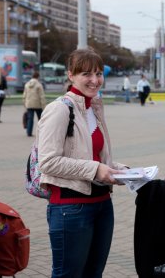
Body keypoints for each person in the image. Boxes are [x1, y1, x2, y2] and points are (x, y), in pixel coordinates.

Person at [37, 48, 126, 278]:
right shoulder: (59, 109)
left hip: (102, 204)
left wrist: (119, 170)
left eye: (98, 73)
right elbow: (47, 162)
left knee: (93, 273)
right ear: (71, 75)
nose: (95, 80)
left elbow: (91, 155)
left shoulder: (93, 108)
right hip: (71, 208)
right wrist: (96, 169)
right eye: (86, 73)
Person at [23, 71, 46, 137]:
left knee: (30, 119)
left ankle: (29, 133)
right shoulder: (39, 85)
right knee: (41, 119)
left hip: (29, 104)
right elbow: (42, 96)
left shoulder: (27, 84)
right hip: (37, 104)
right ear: (38, 77)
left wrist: (25, 104)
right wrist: (44, 106)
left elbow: (24, 95)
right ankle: (42, 132)